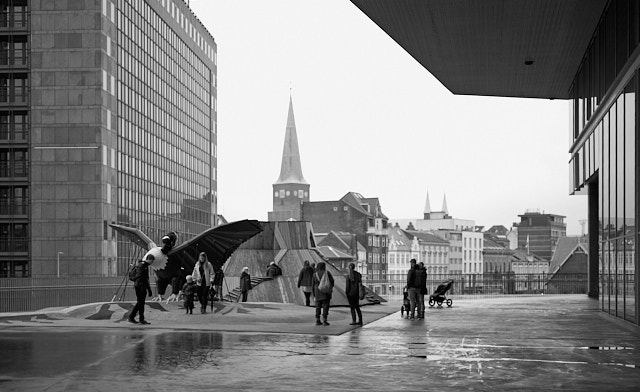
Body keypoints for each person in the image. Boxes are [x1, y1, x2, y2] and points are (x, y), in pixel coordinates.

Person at [128, 254, 154, 325]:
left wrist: (149, 289)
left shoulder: (144, 265)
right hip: (140, 287)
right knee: (140, 303)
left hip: (141, 286)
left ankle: (136, 318)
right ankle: (136, 318)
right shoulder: (142, 266)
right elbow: (142, 277)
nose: (152, 262)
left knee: (140, 303)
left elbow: (146, 279)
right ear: (150, 259)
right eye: (152, 261)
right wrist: (148, 289)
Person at [312, 261, 334, 326]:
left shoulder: (315, 274)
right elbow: (332, 281)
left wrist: (314, 294)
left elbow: (312, 285)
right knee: (325, 306)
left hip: (317, 292)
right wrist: (329, 288)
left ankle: (317, 320)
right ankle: (324, 320)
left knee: (318, 306)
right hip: (326, 293)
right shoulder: (327, 273)